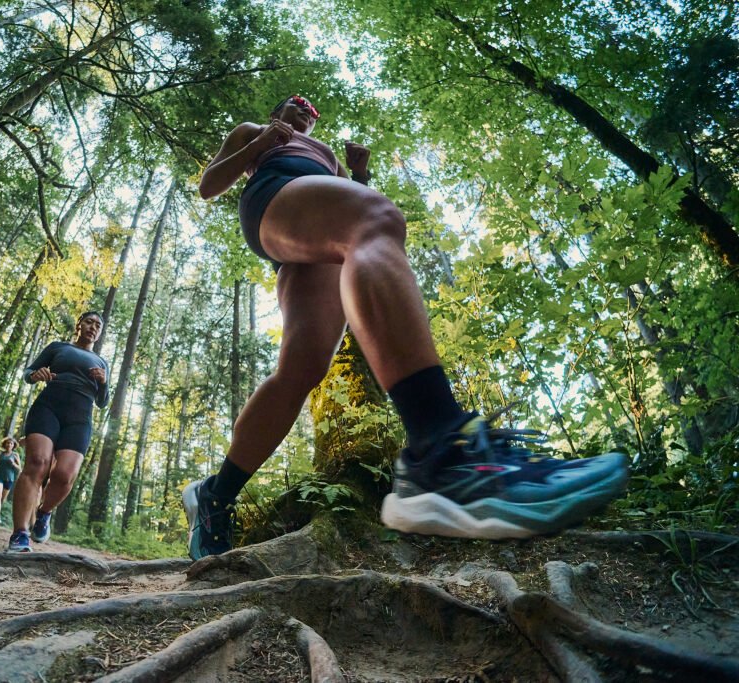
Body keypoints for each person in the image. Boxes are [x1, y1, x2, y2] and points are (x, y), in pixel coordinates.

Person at [183, 94, 629, 560]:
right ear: (278, 111)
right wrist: (258, 146)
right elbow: (210, 185)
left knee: (303, 368)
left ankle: (216, 495)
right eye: (298, 105)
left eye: (313, 112)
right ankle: (442, 453)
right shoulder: (255, 131)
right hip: (273, 198)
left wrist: (358, 176)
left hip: (313, 236)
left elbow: (343, 205)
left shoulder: (326, 154)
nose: (306, 113)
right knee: (376, 216)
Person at [6, 312, 110, 552]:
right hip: (49, 407)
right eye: (89, 322)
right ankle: (20, 534)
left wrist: (104, 383)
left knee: (65, 474)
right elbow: (28, 373)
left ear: (99, 333)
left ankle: (43, 513)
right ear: (79, 325)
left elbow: (103, 402)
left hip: (79, 418)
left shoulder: (102, 363)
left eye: (98, 325)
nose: (93, 327)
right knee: (37, 463)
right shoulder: (58, 347)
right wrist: (35, 375)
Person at [0, 437, 22, 524]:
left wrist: (13, 463)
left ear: (13, 445)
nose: (9, 445)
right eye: (8, 443)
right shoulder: (0, 453)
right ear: (5, 444)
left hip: (9, 479)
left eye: (11, 443)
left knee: (2, 499)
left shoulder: (15, 455)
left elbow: (19, 468)